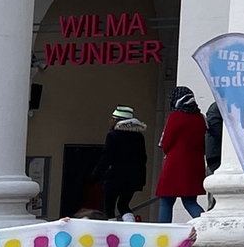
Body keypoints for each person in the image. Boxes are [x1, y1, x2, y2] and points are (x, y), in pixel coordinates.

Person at [157, 87, 208, 223]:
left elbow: (166, 142)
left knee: (166, 201)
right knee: (190, 202)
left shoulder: (175, 116)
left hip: (175, 164)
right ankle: (206, 225)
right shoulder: (201, 118)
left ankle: (164, 233)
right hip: (195, 164)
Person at [92, 106, 148, 220]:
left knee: (109, 207)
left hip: (115, 177)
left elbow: (106, 157)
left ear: (118, 120)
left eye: (112, 118)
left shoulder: (113, 135)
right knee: (123, 205)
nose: (110, 120)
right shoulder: (139, 137)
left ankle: (111, 232)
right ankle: (130, 225)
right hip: (134, 178)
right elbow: (143, 158)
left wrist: (96, 174)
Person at [203, 100, 224, 177]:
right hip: (215, 151)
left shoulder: (216, 107)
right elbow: (215, 129)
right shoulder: (219, 107)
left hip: (213, 151)